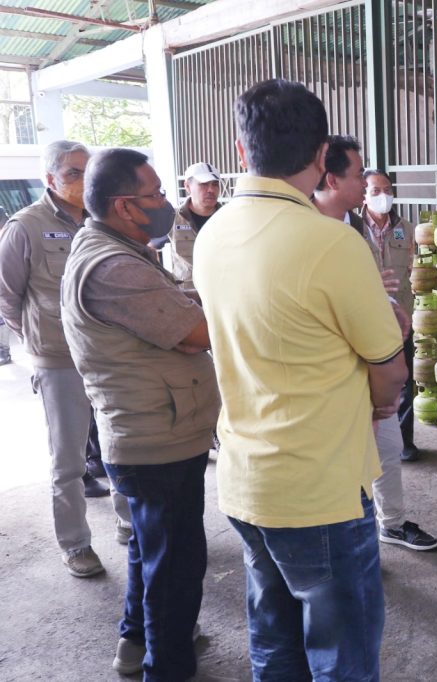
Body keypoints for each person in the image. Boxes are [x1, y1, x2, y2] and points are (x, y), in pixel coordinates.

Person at [193, 80, 407, 679]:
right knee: (342, 657)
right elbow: (389, 368)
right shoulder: (330, 243)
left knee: (275, 644)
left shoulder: (212, 235)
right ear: (320, 159)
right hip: (320, 492)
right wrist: (376, 407)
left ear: (242, 152)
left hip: (245, 483)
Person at [60, 148, 218, 679]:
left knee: (150, 552)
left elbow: (174, 302)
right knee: (175, 565)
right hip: (155, 437)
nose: (165, 204)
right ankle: (165, 666)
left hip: (156, 428)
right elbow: (196, 332)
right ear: (126, 206)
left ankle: (134, 642)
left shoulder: (117, 247)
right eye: (154, 195)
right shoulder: (112, 266)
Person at [0, 140, 132, 577]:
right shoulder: (26, 226)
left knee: (120, 443)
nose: (81, 179)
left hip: (108, 352)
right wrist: (37, 341)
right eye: (73, 172)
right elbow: (7, 295)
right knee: (69, 460)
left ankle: (129, 525)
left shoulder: (101, 219)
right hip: (59, 360)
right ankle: (75, 545)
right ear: (50, 178)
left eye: (86, 171)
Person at [313, 136, 437, 552]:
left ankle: (391, 523)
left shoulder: (359, 231)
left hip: (379, 350)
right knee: (343, 456)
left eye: (383, 187)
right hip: (336, 366)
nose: (374, 191)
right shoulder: (307, 231)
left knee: (387, 446)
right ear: (332, 179)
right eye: (361, 178)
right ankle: (348, 535)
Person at [363, 167, 421, 463]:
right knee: (369, 377)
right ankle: (369, 439)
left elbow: (412, 269)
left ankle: (405, 441)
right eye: (375, 191)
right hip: (364, 316)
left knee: (403, 378)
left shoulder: (406, 228)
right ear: (363, 195)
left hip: (400, 318)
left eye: (387, 190)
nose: (383, 196)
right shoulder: (352, 228)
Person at [163, 162, 222, 288]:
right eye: (203, 184)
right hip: (188, 295)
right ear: (187, 186)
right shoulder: (172, 218)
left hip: (221, 292)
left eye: (215, 184)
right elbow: (148, 247)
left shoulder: (228, 217)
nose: (211, 190)